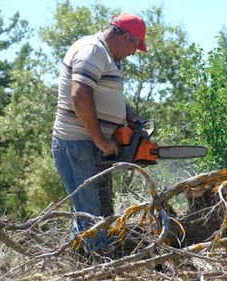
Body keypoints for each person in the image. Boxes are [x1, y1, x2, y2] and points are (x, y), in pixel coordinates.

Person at [51, 13, 147, 252]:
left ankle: (82, 261)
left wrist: (128, 115)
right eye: (135, 45)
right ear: (125, 36)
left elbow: (102, 95)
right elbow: (80, 95)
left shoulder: (108, 55)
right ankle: (97, 264)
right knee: (93, 215)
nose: (134, 52)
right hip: (78, 143)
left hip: (88, 145)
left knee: (94, 213)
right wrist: (101, 140)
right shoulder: (92, 50)